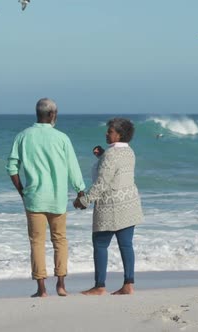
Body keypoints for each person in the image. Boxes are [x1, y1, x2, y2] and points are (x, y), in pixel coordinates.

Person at [6, 98, 86, 297]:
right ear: (52, 115)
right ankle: (61, 285)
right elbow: (72, 167)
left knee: (37, 242)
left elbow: (12, 167)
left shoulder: (23, 136)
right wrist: (80, 190)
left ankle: (41, 289)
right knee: (60, 240)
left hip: (34, 198)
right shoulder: (62, 138)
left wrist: (22, 191)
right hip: (58, 198)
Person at [74, 118, 143, 295]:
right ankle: (129, 284)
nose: (106, 133)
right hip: (130, 203)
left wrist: (84, 200)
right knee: (126, 244)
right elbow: (116, 169)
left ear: (119, 135)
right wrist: (101, 156)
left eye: (110, 131)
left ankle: (100, 286)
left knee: (100, 244)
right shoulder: (129, 152)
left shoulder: (110, 155)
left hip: (111, 206)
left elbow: (102, 183)